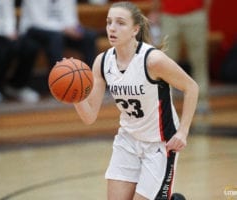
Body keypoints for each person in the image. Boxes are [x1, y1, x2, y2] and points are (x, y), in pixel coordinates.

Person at [73, 2, 198, 200]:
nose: (112, 28)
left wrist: (183, 131)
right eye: (109, 22)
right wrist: (76, 96)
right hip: (127, 141)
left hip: (160, 144)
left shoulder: (152, 60)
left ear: (135, 29)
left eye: (120, 23)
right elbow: (89, 117)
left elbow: (191, 88)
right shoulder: (102, 62)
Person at [7, 0, 97, 98]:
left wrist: (76, 29)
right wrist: (64, 29)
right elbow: (38, 21)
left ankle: (91, 85)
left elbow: (71, 19)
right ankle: (59, 87)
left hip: (60, 31)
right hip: (34, 30)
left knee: (89, 36)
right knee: (55, 38)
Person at [149, 0, 211, 114]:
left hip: (195, 14)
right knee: (164, 63)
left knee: (199, 60)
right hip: (168, 16)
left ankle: (201, 100)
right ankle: (164, 102)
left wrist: (203, 12)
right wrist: (155, 10)